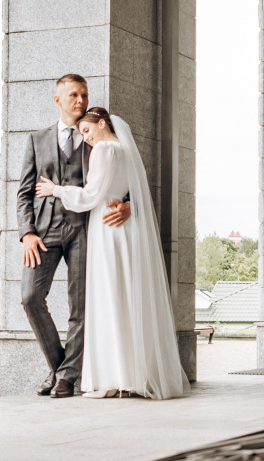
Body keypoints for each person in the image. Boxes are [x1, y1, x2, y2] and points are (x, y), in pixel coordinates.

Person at [35, 106, 189, 400]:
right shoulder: (127, 152)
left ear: (102, 123)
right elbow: (134, 193)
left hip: (107, 228)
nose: (87, 139)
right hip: (127, 231)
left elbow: (90, 195)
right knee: (129, 297)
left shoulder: (104, 149)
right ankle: (134, 374)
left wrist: (55, 190)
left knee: (109, 297)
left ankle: (116, 377)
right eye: (82, 134)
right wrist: (127, 205)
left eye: (87, 131)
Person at [16, 74, 130, 398]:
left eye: (84, 95)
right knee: (29, 298)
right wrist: (26, 233)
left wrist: (129, 204)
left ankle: (67, 378)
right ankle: (59, 366)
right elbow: (23, 192)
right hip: (44, 231)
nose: (80, 101)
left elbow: (125, 175)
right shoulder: (36, 140)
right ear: (58, 100)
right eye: (73, 95)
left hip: (85, 229)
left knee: (80, 306)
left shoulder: (99, 136)